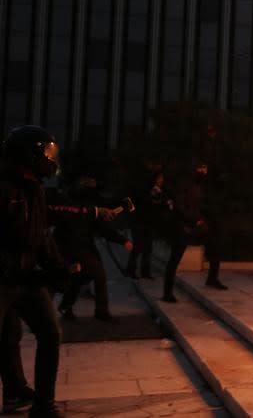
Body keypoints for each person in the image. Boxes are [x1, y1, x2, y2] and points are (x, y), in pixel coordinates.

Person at [0, 125, 116, 418]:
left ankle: (43, 406)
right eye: (47, 154)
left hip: (25, 278)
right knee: (7, 336)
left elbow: (40, 235)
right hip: (4, 280)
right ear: (30, 155)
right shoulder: (4, 188)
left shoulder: (36, 189)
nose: (52, 161)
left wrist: (56, 268)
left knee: (50, 333)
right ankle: (15, 391)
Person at [53, 174, 133, 322]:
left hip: (83, 243)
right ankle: (101, 312)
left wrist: (122, 240)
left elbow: (101, 225)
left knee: (83, 275)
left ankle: (65, 305)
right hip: (72, 244)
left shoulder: (88, 201)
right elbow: (98, 221)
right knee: (99, 274)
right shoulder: (76, 203)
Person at [162, 161, 225, 303]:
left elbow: (200, 204)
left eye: (205, 168)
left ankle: (212, 278)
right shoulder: (184, 183)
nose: (204, 171)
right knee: (175, 258)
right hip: (183, 226)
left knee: (215, 245)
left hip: (196, 223)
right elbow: (180, 206)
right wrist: (194, 219)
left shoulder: (199, 184)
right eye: (201, 168)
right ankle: (167, 292)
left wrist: (201, 219)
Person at [126, 171, 172, 279]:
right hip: (139, 222)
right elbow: (141, 204)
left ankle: (145, 272)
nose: (161, 181)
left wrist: (163, 201)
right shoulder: (145, 190)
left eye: (162, 179)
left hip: (150, 223)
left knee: (148, 248)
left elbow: (162, 205)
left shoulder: (160, 192)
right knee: (138, 247)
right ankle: (130, 270)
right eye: (159, 178)